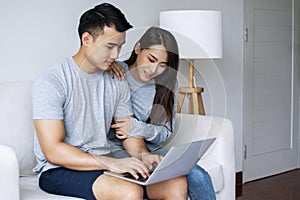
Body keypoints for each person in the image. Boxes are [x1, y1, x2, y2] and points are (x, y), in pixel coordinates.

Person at [32, 3, 187, 200]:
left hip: (105, 160)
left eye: (120, 46)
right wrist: (110, 163)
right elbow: (53, 150)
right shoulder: (52, 82)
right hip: (59, 169)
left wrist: (143, 156)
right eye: (110, 46)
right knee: (129, 191)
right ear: (86, 39)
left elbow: (127, 132)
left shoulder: (116, 78)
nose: (116, 55)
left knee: (175, 183)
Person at [109, 27, 216, 200]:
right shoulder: (115, 70)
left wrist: (137, 127)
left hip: (151, 147)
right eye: (151, 59)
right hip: (118, 148)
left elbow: (164, 132)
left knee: (198, 176)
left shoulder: (164, 85)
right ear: (138, 48)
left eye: (162, 65)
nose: (153, 69)